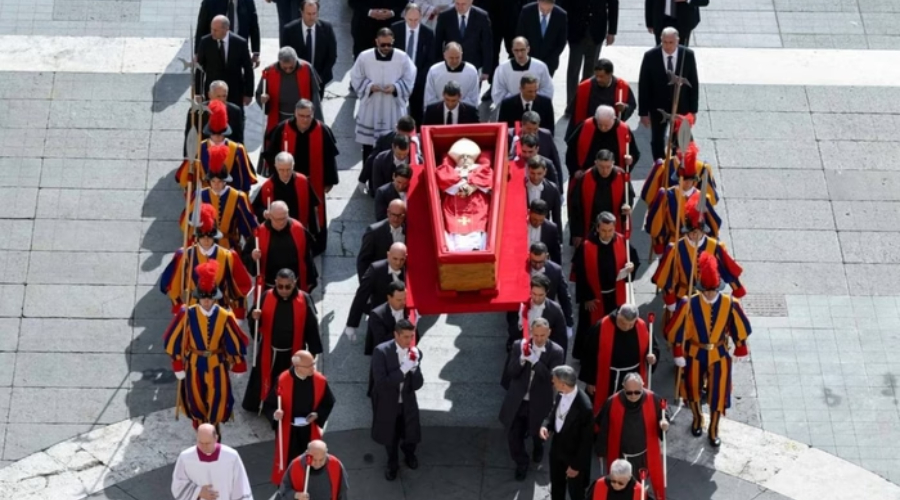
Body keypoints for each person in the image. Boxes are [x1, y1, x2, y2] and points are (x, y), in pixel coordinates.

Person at [668, 253, 752, 447]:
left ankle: (714, 428)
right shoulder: (688, 303)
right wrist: (678, 351)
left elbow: (739, 326)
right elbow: (677, 329)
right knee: (692, 389)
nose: (708, 295)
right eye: (705, 291)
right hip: (695, 353)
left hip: (719, 354)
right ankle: (697, 418)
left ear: (717, 287)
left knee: (718, 393)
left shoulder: (730, 303)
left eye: (711, 291)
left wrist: (740, 346)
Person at [164, 261, 250, 432]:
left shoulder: (225, 315)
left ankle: (213, 429)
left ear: (214, 298)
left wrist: (238, 360)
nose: (206, 301)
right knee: (195, 398)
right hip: (194, 362)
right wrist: (177, 362)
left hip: (218, 363)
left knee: (219, 397)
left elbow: (233, 338)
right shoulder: (187, 314)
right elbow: (174, 338)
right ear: (198, 297)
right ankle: (200, 427)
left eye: (210, 298)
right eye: (203, 297)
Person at [262, 99, 339, 255]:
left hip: (314, 181)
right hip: (288, 181)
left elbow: (329, 158)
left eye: (308, 116)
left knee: (314, 214)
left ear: (313, 114)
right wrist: (277, 174)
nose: (304, 120)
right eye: (301, 116)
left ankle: (314, 246)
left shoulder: (322, 130)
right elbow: (270, 155)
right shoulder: (282, 129)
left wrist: (330, 180)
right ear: (295, 114)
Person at [242, 268, 322, 413]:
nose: (284, 290)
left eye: (288, 287)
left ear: (294, 283)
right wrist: (254, 318)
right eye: (280, 286)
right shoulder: (266, 296)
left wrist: (313, 352)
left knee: (292, 384)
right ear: (275, 283)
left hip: (293, 352)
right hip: (270, 351)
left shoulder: (304, 299)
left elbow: (312, 326)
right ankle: (263, 406)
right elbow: (255, 324)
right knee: (265, 380)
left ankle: (288, 408)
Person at [653, 196, 745, 313]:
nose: (694, 235)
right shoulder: (676, 248)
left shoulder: (715, 246)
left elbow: (727, 270)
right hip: (682, 295)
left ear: (703, 230)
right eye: (691, 232)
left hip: (707, 296)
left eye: (697, 232)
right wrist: (670, 299)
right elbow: (668, 276)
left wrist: (737, 288)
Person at [499, 317, 565, 480]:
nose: (539, 339)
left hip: (539, 401)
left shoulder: (556, 352)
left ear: (549, 333)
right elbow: (511, 373)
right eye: (536, 335)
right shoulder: (518, 346)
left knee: (537, 433)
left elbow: (551, 379)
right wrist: (522, 360)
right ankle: (522, 463)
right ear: (530, 333)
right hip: (518, 400)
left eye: (543, 335)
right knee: (513, 435)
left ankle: (538, 447)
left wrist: (535, 362)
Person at [160, 204, 253, 316]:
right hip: (192, 312)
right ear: (197, 236)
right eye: (202, 236)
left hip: (221, 312)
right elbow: (173, 286)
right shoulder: (184, 255)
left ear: (214, 236)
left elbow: (240, 288)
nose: (206, 240)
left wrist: (238, 313)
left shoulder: (228, 256)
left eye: (209, 236)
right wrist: (179, 308)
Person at [570, 212, 639, 359]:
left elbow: (634, 259)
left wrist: (631, 266)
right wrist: (587, 297)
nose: (607, 234)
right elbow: (580, 274)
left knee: (616, 325)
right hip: (594, 297)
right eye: (603, 230)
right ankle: (590, 357)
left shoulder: (622, 241)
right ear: (597, 228)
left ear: (615, 228)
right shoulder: (586, 246)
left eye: (610, 230)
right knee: (591, 328)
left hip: (615, 295)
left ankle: (613, 354)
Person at [595, 374, 668, 500]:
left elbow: (663, 413)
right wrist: (601, 450)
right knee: (620, 485)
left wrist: (664, 422)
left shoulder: (652, 398)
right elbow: (604, 427)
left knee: (639, 486)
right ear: (623, 387)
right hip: (620, 455)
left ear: (642, 386)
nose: (633, 396)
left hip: (643, 455)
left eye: (637, 392)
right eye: (629, 392)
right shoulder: (612, 402)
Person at [268, 351, 336, 484]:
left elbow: (328, 402)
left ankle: (309, 483)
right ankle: (290, 484)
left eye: (313, 364)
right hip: (289, 429)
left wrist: (317, 414)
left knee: (311, 458)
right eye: (309, 366)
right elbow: (270, 404)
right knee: (289, 460)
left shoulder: (319, 380)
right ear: (298, 367)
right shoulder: (283, 380)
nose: (313, 368)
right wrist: (276, 414)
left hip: (308, 428)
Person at [351, 28, 417, 162]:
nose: (386, 47)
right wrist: (369, 86)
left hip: (392, 106)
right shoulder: (365, 57)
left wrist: (396, 87)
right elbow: (355, 76)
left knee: (393, 144)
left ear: (393, 41)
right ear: (376, 42)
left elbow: (410, 76)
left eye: (389, 44)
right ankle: (368, 171)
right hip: (372, 105)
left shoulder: (402, 57)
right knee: (369, 148)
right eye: (383, 45)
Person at [579, 304, 658, 413]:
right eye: (623, 323)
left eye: (631, 324)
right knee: (606, 408)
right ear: (618, 315)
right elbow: (589, 354)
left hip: (634, 374)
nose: (626, 327)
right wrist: (590, 381)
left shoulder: (642, 326)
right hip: (609, 376)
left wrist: (653, 356)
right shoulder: (601, 326)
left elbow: (653, 346)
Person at [371, 319, 424, 480]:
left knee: (410, 432)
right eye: (405, 337)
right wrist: (403, 369)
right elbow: (381, 383)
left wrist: (414, 368)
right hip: (388, 403)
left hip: (407, 402)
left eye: (411, 336)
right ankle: (392, 463)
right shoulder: (381, 352)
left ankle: (409, 454)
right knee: (390, 436)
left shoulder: (415, 353)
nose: (409, 341)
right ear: (396, 335)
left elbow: (417, 385)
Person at [638, 27, 700, 160]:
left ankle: (676, 164)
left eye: (671, 42)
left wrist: (693, 110)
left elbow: (693, 83)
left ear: (677, 41)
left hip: (681, 106)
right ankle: (660, 166)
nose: (667, 46)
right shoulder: (650, 56)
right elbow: (644, 85)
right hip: (658, 107)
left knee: (681, 139)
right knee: (657, 140)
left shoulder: (687, 55)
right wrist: (643, 113)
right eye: (664, 42)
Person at [180, 145, 258, 251]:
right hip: (205, 246)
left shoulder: (238, 197)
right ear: (209, 181)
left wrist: (252, 246)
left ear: (225, 181)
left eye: (220, 181)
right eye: (213, 181)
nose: (216, 185)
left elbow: (248, 224)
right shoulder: (200, 195)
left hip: (229, 246)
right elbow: (187, 224)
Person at [644, 152, 720, 255]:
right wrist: (659, 242)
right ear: (679, 179)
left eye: (690, 180)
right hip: (673, 243)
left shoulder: (702, 198)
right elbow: (657, 222)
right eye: (684, 179)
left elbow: (713, 224)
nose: (687, 183)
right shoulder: (667, 196)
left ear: (694, 180)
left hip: (694, 245)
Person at [177, 100, 257, 194]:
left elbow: (244, 181)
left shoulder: (238, 150)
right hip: (205, 197)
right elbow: (185, 178)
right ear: (209, 132)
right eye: (214, 134)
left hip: (230, 197)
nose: (217, 137)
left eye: (220, 134)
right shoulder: (198, 148)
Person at [539, 365, 593, 500]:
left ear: (563, 384)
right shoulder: (561, 393)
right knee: (557, 488)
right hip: (557, 452)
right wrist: (546, 426)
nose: (552, 382)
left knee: (576, 493)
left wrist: (575, 466)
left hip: (573, 458)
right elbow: (553, 412)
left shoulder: (585, 407)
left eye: (554, 381)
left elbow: (586, 442)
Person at [243, 201, 318, 292]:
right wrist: (253, 257)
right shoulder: (259, 233)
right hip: (269, 287)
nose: (282, 222)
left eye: (284, 218)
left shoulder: (298, 229)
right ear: (270, 216)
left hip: (294, 285)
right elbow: (245, 256)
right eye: (278, 219)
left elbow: (307, 255)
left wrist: (311, 279)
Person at [559, 0, 618, 112]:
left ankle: (585, 102)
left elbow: (613, 5)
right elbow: (564, 5)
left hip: (596, 31)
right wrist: (562, 30)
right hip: (576, 30)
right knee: (573, 69)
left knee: (591, 71)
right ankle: (571, 104)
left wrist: (612, 31)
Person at [435, 138, 493, 251]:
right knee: (455, 233)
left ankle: (476, 249)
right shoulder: (451, 170)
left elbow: (488, 179)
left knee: (476, 231)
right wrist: (463, 185)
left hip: (476, 204)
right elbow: (444, 179)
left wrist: (473, 187)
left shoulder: (481, 169)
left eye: (468, 156)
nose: (465, 159)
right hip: (454, 204)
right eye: (462, 157)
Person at [257, 47, 323, 143]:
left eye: (291, 67)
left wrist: (318, 121)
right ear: (279, 62)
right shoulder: (269, 71)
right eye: (285, 68)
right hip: (279, 118)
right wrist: (263, 99)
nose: (288, 70)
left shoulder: (306, 68)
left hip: (302, 118)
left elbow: (315, 97)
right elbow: (260, 94)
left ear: (296, 60)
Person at [171, 424, 252, 500]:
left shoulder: (231, 457)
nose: (204, 447)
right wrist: (198, 492)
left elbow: (241, 485)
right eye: (201, 442)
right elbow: (177, 485)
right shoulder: (185, 458)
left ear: (216, 438)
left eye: (207, 443)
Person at [569, 150, 634, 243]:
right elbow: (576, 207)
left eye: (608, 167)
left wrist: (627, 207)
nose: (605, 171)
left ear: (613, 163)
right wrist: (577, 233)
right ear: (595, 163)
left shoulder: (621, 176)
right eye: (601, 167)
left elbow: (629, 196)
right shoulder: (585, 178)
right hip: (591, 227)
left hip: (613, 228)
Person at [345, 242, 408, 338]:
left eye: (402, 259)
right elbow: (361, 295)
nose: (398, 263)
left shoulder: (408, 269)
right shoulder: (376, 270)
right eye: (395, 258)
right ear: (388, 255)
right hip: (380, 319)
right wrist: (351, 324)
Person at [194, 16, 255, 110]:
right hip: (213, 91)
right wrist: (198, 92)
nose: (212, 32)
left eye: (215, 30)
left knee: (235, 115)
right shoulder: (205, 42)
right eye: (211, 29)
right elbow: (199, 68)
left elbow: (248, 69)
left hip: (235, 91)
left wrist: (249, 93)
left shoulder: (240, 43)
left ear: (226, 29)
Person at [252, 151, 321, 233]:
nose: (285, 174)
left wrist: (314, 232)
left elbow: (312, 209)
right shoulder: (268, 186)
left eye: (288, 169)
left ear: (293, 166)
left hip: (299, 230)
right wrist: (264, 213)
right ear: (276, 167)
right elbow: (256, 207)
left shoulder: (303, 181)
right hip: (276, 234)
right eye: (281, 170)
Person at [281, 0, 339, 96]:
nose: (311, 17)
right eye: (308, 14)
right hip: (296, 80)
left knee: (316, 104)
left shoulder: (327, 28)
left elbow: (332, 56)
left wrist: (320, 78)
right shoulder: (289, 30)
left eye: (314, 13)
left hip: (319, 80)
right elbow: (285, 56)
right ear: (301, 12)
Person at [566, 105, 638, 181]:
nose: (603, 128)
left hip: (615, 177)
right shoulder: (585, 126)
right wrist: (575, 169)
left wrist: (631, 159)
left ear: (613, 119)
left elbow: (634, 152)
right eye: (600, 125)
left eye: (606, 125)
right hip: (586, 176)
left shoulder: (624, 130)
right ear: (596, 119)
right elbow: (571, 150)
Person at [392, 4, 437, 126]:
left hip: (419, 78)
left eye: (416, 20)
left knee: (417, 112)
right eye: (410, 19)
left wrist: (418, 78)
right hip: (398, 78)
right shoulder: (395, 29)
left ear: (421, 17)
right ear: (404, 16)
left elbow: (430, 59)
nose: (413, 23)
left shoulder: (428, 33)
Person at [567, 59, 636, 137]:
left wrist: (624, 108)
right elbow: (576, 114)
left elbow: (631, 105)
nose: (598, 79)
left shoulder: (622, 86)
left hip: (611, 132)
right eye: (596, 76)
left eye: (601, 76)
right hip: (590, 132)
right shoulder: (585, 87)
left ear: (610, 74)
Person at [432, 0, 493, 85]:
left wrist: (486, 70)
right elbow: (437, 44)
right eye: (457, 4)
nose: (460, 7)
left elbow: (487, 44)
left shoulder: (482, 17)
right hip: (450, 66)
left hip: (474, 66)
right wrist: (438, 66)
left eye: (463, 4)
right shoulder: (445, 17)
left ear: (471, 2)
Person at [508, 275, 569, 354]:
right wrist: (520, 322)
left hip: (544, 354)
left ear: (547, 292)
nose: (537, 298)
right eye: (534, 294)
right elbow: (512, 332)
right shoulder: (520, 305)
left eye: (540, 295)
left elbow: (561, 339)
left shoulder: (555, 310)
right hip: (521, 351)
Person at [183, 80, 245, 156]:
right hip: (202, 156)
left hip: (228, 156)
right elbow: (190, 138)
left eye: (224, 96)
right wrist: (188, 158)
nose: (221, 99)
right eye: (218, 96)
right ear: (209, 95)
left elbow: (239, 139)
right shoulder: (196, 112)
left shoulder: (235, 111)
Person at [275, 440, 349, 500]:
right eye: (314, 459)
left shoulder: (336, 464)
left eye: (321, 460)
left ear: (326, 453)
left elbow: (343, 492)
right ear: (307, 453)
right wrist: (296, 495)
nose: (317, 463)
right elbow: (283, 490)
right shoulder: (296, 465)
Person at [526, 243, 573, 335]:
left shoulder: (555, 271)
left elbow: (564, 297)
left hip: (546, 318)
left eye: (541, 262)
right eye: (534, 262)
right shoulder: (521, 269)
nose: (537, 266)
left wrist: (569, 323)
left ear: (547, 256)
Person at [196, 0, 261, 66]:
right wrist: (198, 53)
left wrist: (256, 53)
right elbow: (201, 27)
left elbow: (254, 27)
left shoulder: (248, 2)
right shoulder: (210, 2)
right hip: (215, 49)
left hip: (239, 49)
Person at [491, 37, 553, 105]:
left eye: (522, 50)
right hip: (511, 107)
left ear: (528, 49)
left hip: (535, 106)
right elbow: (498, 91)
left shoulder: (540, 67)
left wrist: (531, 100)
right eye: (516, 50)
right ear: (512, 50)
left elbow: (547, 89)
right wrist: (515, 102)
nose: (519, 54)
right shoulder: (502, 69)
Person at [515, 0, 568, 76]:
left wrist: (550, 59)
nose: (545, 12)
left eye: (548, 10)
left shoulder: (561, 15)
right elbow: (521, 36)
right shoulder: (527, 12)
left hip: (549, 63)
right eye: (542, 10)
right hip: (528, 60)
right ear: (538, 2)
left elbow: (561, 42)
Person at [508, 111, 562, 185]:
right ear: (522, 125)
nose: (532, 132)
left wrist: (559, 189)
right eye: (529, 129)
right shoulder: (509, 135)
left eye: (535, 129)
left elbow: (556, 162)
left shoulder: (546, 136)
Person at [422, 43, 481, 110]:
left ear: (461, 55)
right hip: (438, 112)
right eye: (451, 58)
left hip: (464, 112)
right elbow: (429, 97)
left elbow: (473, 97)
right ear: (444, 55)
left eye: (457, 57)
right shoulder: (434, 71)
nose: (454, 61)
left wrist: (456, 108)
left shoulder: (471, 71)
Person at [357, 200, 407, 278]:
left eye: (399, 215)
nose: (396, 219)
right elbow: (363, 261)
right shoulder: (374, 232)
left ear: (404, 216)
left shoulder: (409, 231)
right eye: (393, 214)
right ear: (388, 213)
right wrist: (365, 283)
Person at [365, 281, 411, 354]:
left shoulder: (408, 309)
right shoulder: (377, 315)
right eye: (399, 300)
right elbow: (381, 341)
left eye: (405, 298)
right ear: (389, 298)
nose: (403, 303)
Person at [524, 154, 562, 228]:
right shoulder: (521, 187)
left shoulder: (552, 189)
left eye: (539, 173)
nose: (536, 177)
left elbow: (557, 218)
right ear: (528, 171)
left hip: (542, 231)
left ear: (545, 172)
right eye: (532, 173)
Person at [527, 201, 562, 265]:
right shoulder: (520, 224)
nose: (537, 223)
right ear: (529, 212)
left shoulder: (551, 229)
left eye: (541, 220)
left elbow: (555, 254)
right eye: (534, 219)